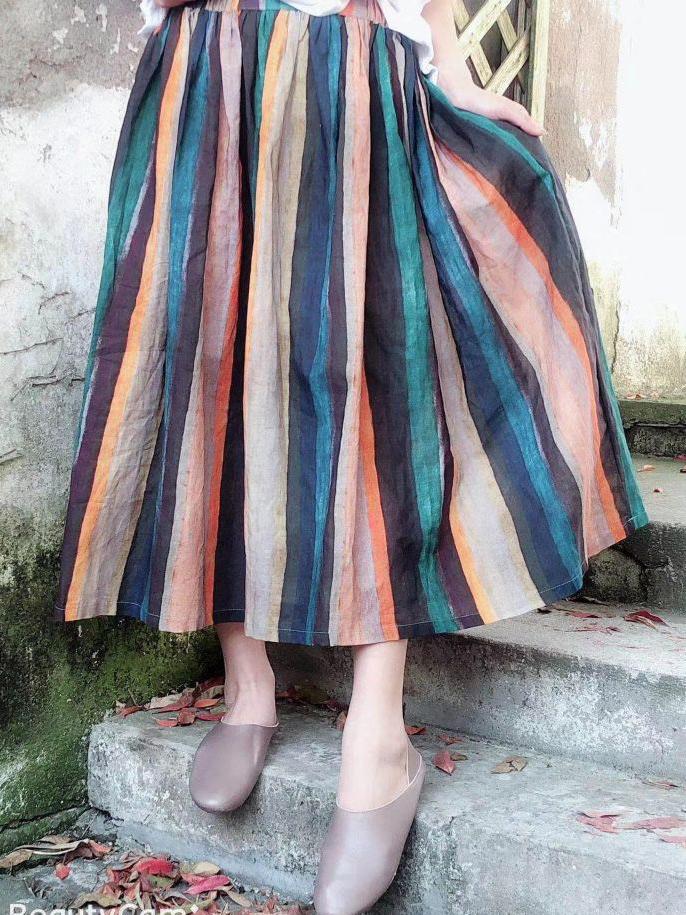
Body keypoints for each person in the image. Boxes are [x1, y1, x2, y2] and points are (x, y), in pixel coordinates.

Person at [54, 1, 648, 912]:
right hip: (210, 58)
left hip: (354, 65)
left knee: (374, 380)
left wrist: (451, 67)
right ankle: (248, 679)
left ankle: (379, 735)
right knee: (208, 358)